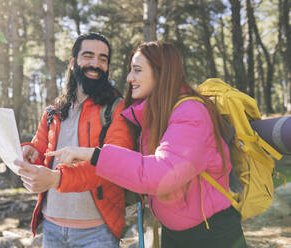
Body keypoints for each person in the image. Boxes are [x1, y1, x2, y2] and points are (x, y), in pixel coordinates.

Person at [47, 41, 248, 248]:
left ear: (161, 72)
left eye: (137, 70)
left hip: (212, 235)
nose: (129, 78)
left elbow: (160, 174)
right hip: (177, 233)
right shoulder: (156, 115)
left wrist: (93, 154)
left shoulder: (191, 113)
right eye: (130, 70)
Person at [14, 33, 133, 248]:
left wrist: (57, 179)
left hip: (98, 231)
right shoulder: (53, 111)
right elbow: (41, 148)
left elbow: (114, 164)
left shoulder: (116, 108)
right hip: (51, 226)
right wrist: (30, 151)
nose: (95, 64)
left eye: (103, 59)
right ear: (72, 62)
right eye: (88, 56)